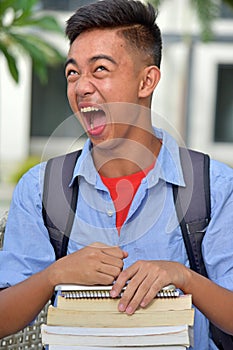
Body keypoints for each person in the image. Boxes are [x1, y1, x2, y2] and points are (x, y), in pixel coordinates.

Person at [0, 0, 233, 348]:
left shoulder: (214, 187)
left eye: (100, 70)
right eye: (73, 73)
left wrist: (183, 277)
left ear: (147, 81)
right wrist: (53, 276)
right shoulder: (40, 188)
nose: (81, 87)